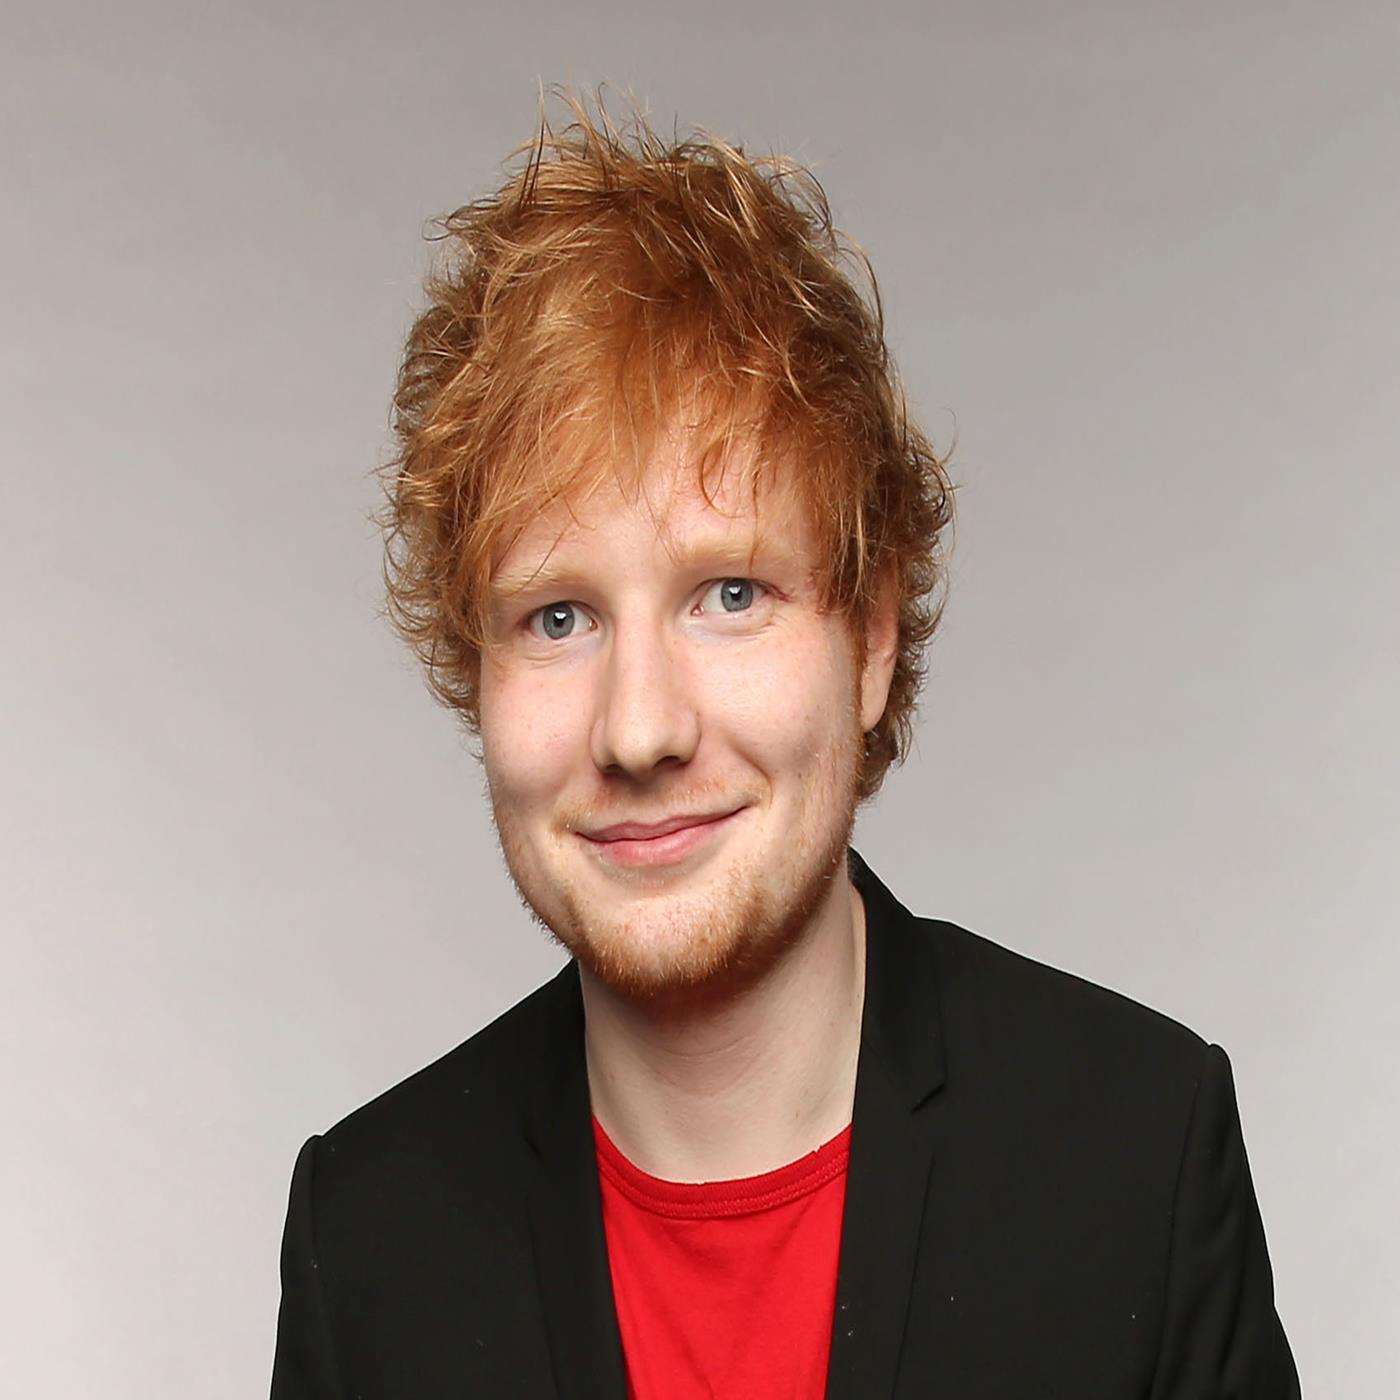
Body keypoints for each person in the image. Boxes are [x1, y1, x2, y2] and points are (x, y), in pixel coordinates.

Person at [270, 93, 1300, 1398]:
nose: (640, 728)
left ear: (869, 640)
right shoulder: (369, 1236)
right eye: (557, 616)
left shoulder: (1135, 1155)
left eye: (730, 594)